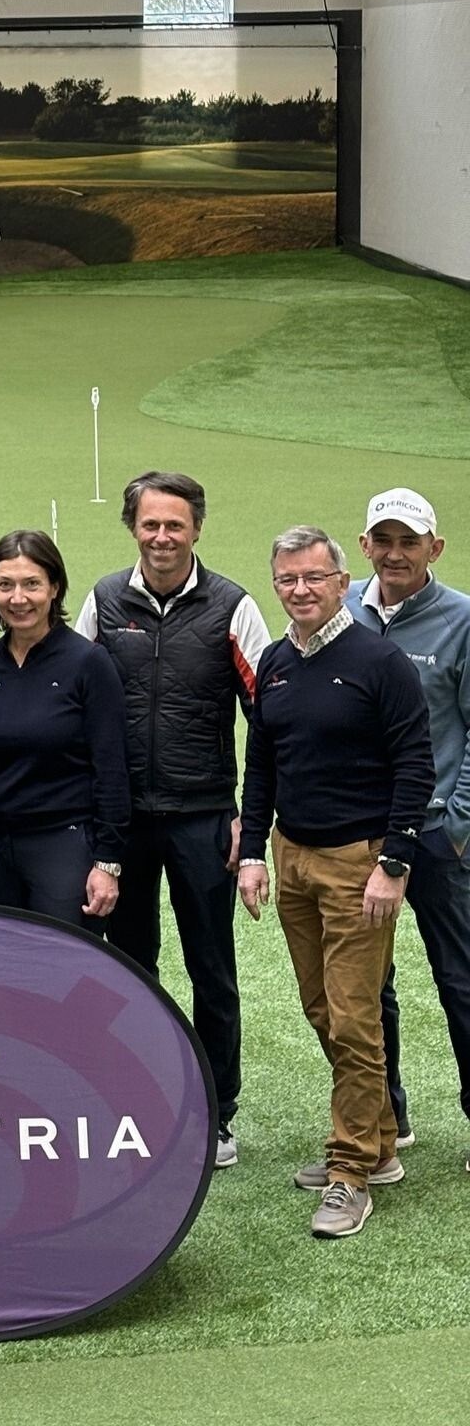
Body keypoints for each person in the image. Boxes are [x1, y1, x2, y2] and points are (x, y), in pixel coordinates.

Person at [238, 527, 434, 1239]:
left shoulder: (380, 661)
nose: (300, 590)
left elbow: (416, 762)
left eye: (314, 578)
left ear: (339, 578)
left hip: (362, 862)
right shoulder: (276, 662)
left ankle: (350, 1170)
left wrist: (394, 864)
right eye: (287, 579)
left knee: (354, 1018)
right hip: (294, 858)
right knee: (323, 1010)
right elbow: (262, 762)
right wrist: (254, 851)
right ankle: (378, 1144)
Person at [76, 471, 271, 1169]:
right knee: (131, 971)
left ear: (197, 529)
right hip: (124, 824)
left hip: (203, 819)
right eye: (150, 525)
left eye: (175, 525)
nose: (162, 537)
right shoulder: (102, 602)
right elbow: (76, 703)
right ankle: (141, 1103)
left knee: (211, 969)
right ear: (133, 527)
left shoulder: (233, 607)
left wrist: (252, 819)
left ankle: (218, 1113)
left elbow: (268, 724)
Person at [347, 488, 470, 1172]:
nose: (395, 553)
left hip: (439, 836)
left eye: (409, 541)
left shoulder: (462, 620)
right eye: (383, 539)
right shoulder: (340, 611)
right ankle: (388, 1120)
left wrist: (456, 823)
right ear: (364, 545)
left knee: (461, 979)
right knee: (371, 986)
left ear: (434, 548)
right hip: (362, 837)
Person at [0, 531, 131, 930]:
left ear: (54, 587)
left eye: (31, 584)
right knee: (3, 971)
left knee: (62, 973)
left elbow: (111, 768)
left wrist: (107, 862)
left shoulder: (88, 663)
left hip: (62, 845)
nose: (18, 599)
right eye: (5, 585)